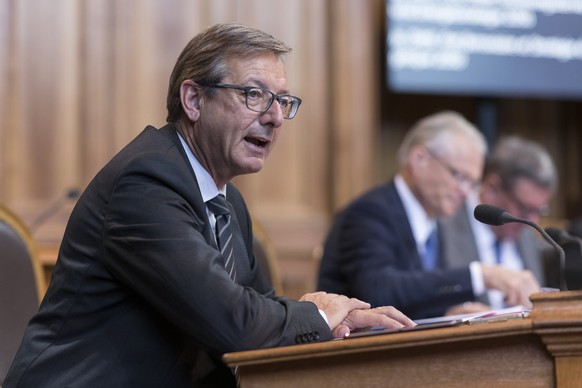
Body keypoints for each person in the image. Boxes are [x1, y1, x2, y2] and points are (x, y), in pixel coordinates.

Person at [4, 23, 414, 388]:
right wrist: (319, 316)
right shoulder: (145, 183)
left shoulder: (227, 200)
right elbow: (235, 323)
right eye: (254, 94)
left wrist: (338, 320)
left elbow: (259, 308)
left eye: (283, 101)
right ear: (194, 100)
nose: (275, 117)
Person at [318, 111, 499, 319]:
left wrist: (449, 311)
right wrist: (477, 275)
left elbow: (415, 297)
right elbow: (378, 293)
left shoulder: (437, 221)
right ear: (419, 159)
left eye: (473, 183)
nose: (466, 192)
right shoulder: (370, 211)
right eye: (459, 176)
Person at [440, 135, 557, 309]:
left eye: (539, 210)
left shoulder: (525, 233)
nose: (533, 220)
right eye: (525, 209)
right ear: (492, 188)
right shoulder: (444, 223)